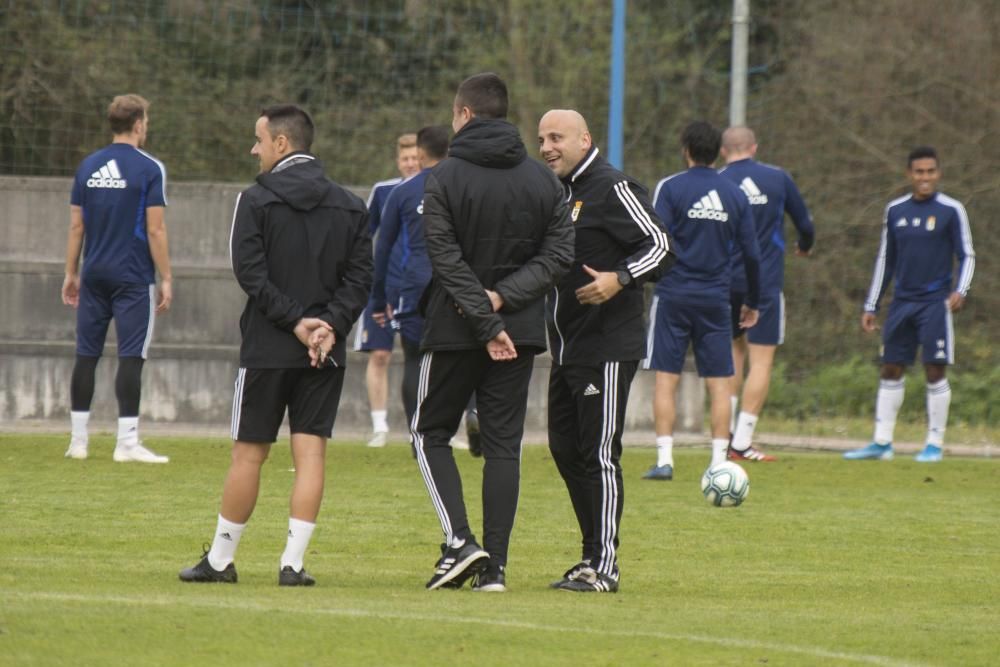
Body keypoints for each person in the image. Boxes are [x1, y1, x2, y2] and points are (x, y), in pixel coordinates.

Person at [179, 105, 371, 585]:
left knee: (249, 454)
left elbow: (250, 275)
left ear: (282, 144)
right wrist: (328, 325)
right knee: (311, 454)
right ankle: (293, 564)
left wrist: (295, 323)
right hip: (325, 351)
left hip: (268, 347)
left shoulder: (255, 200)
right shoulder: (350, 204)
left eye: (259, 140)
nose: (253, 149)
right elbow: (361, 278)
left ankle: (220, 562)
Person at [414, 73, 574, 592]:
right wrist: (503, 305)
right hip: (519, 330)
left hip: (455, 329)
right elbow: (558, 256)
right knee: (504, 446)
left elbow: (444, 257)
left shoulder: (442, 177)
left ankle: (461, 543)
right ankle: (495, 570)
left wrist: (485, 315)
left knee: (428, 431)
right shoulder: (543, 180)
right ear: (504, 114)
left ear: (462, 114)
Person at [539, 109, 674, 593]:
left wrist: (621, 278)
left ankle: (606, 567)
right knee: (564, 449)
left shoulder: (612, 186)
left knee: (598, 453)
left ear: (584, 139)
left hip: (607, 346)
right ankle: (588, 556)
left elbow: (661, 245)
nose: (547, 146)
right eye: (541, 138)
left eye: (556, 137)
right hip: (567, 347)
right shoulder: (558, 193)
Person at [642, 121, 761, 481]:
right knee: (719, 380)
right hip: (715, 299)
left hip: (673, 296)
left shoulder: (671, 187)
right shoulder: (735, 193)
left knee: (667, 378)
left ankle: (665, 460)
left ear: (686, 150)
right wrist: (751, 300)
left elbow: (653, 237)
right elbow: (752, 255)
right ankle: (718, 461)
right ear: (717, 152)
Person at [844, 146, 975, 463]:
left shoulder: (951, 209)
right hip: (902, 302)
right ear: (909, 174)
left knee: (934, 369)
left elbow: (967, 255)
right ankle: (881, 443)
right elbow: (885, 260)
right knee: (891, 368)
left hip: (935, 303)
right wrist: (871, 305)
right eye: (919, 172)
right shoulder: (895, 210)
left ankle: (934, 444)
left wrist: (961, 290)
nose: (925, 177)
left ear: (938, 173)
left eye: (931, 171)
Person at [62, 93, 172, 464]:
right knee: (131, 357)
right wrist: (167, 276)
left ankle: (78, 441)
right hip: (133, 277)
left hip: (93, 274)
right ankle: (126, 443)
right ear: (139, 124)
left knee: (86, 354)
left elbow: (77, 226)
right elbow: (155, 230)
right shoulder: (149, 168)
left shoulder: (88, 166)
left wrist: (71, 272)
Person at [718, 126, 815, 462]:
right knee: (761, 361)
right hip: (766, 283)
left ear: (723, 151)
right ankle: (742, 441)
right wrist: (804, 246)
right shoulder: (778, 178)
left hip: (724, 282)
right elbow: (805, 224)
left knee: (732, 356)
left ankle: (725, 437)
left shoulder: (717, 180)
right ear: (754, 148)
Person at [369, 125, 450, 432]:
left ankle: (419, 433)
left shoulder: (403, 192)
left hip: (415, 284)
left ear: (421, 153)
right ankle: (468, 415)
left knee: (414, 358)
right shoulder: (461, 187)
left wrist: (379, 300)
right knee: (463, 356)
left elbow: (383, 248)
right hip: (455, 284)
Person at [354, 133, 419, 448]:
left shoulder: (435, 189)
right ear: (398, 161)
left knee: (419, 357)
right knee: (380, 355)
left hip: (419, 290)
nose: (410, 163)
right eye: (405, 158)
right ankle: (380, 427)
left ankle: (420, 427)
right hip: (384, 288)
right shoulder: (384, 191)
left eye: (415, 158)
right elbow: (364, 236)